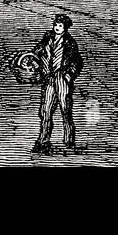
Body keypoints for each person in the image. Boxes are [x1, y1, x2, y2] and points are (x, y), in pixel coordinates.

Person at [31, 13, 83, 154]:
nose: (57, 28)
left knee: (65, 110)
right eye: (56, 25)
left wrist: (68, 76)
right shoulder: (47, 38)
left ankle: (69, 139)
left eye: (60, 26)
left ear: (65, 28)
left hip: (62, 78)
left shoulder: (70, 43)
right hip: (48, 78)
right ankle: (43, 141)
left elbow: (77, 62)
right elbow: (35, 53)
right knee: (45, 110)